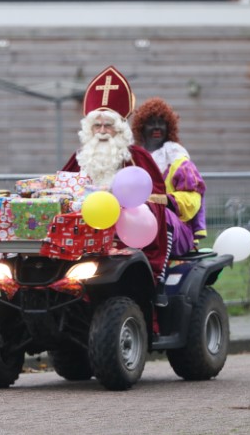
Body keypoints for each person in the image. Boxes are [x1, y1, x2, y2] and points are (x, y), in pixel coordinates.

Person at [61, 66, 170, 283]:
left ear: (120, 129)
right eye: (97, 125)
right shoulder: (80, 157)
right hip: (81, 238)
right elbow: (62, 191)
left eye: (108, 126)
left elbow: (156, 202)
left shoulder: (137, 158)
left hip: (123, 240)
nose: (101, 131)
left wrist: (120, 207)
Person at [130, 97, 207, 255]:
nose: (157, 127)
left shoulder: (178, 159)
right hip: (138, 226)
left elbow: (193, 199)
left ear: (169, 126)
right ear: (142, 127)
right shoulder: (133, 158)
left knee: (160, 215)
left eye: (162, 122)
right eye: (151, 122)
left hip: (176, 229)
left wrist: (166, 200)